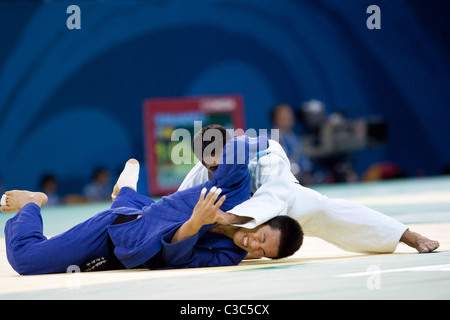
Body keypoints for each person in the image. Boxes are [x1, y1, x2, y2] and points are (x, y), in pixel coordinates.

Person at [1, 136, 303, 275]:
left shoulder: (227, 255)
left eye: (263, 252)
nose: (254, 245)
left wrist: (194, 224)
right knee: (26, 259)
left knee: (143, 213)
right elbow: (237, 147)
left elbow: (178, 262)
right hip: (112, 230)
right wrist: (263, 144)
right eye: (262, 238)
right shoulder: (234, 193)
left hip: (131, 249)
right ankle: (33, 203)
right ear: (263, 221)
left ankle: (127, 188)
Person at [179, 124, 440, 255]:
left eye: (219, 162)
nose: (214, 170)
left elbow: (273, 198)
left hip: (286, 203)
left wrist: (228, 218)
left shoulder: (266, 155)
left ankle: (409, 236)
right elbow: (174, 206)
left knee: (330, 211)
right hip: (235, 222)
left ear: (232, 149)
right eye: (208, 165)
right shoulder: (202, 173)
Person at [271, 103, 313, 184]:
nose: (288, 118)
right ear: (275, 118)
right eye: (283, 116)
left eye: (289, 115)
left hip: (298, 182)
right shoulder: (268, 140)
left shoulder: (297, 140)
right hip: (277, 183)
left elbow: (305, 165)